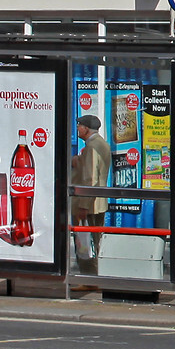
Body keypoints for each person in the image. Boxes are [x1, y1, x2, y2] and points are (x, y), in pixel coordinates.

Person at [72, 114, 111, 275]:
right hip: (99, 202)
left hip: (89, 205)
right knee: (96, 240)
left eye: (79, 126)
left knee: (85, 242)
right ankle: (96, 275)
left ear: (86, 128)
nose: (77, 129)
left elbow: (90, 179)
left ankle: (89, 277)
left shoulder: (91, 147)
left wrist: (82, 205)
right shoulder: (102, 144)